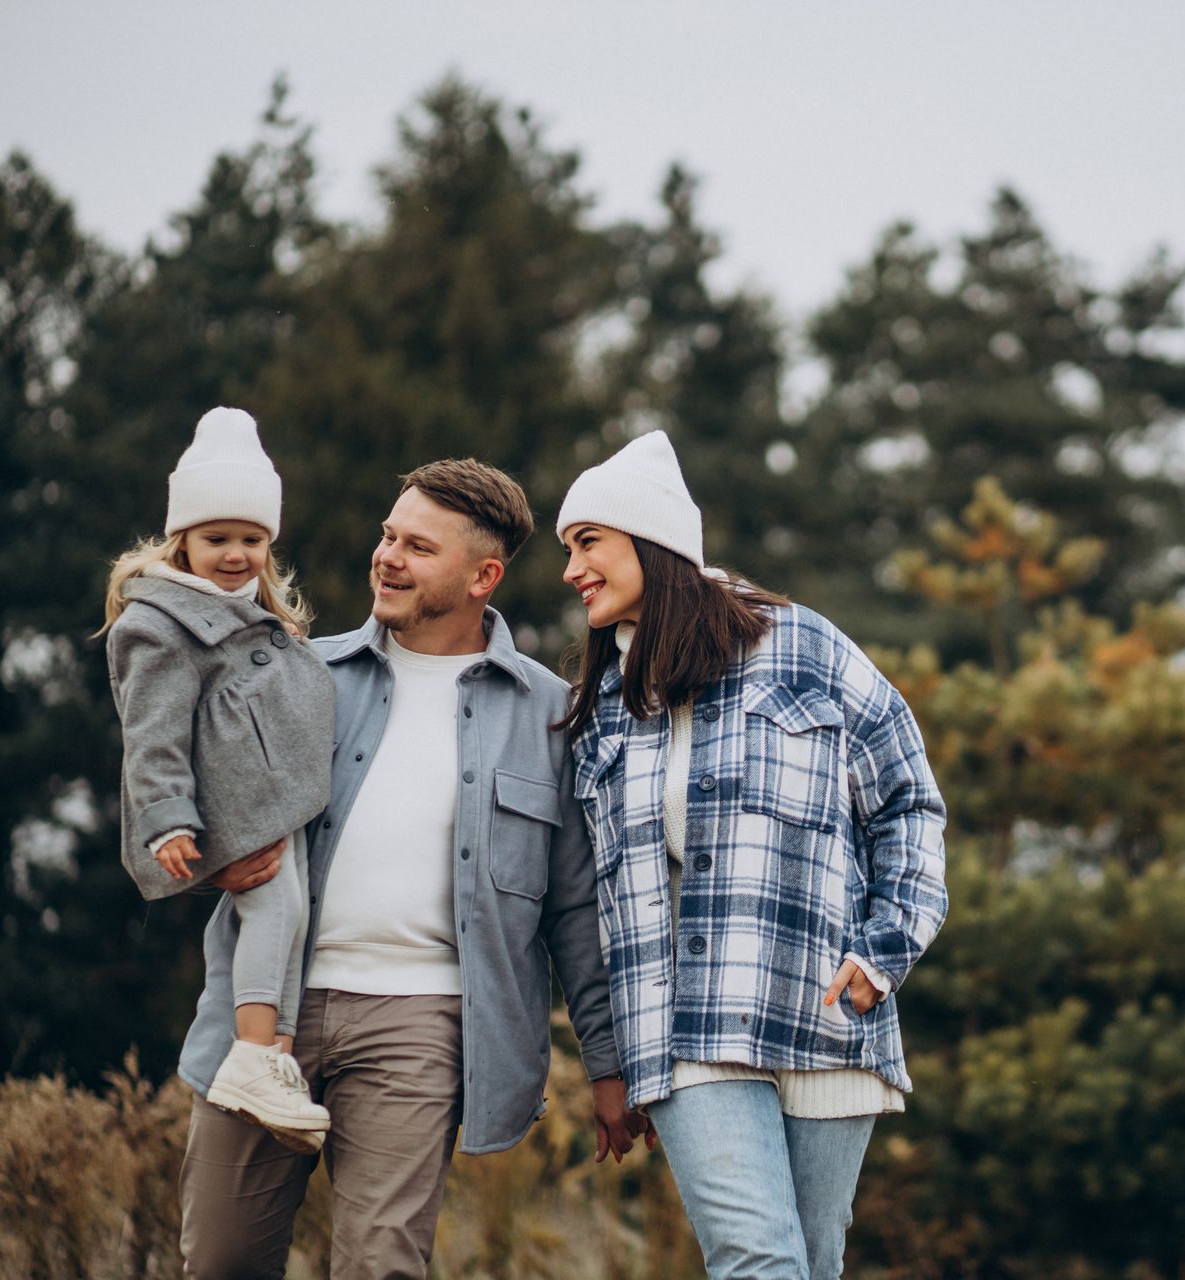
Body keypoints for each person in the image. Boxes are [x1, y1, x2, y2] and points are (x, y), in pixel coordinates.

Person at [174, 457, 643, 1280]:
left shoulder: (550, 714)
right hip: (267, 1014)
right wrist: (214, 854)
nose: (386, 557)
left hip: (423, 1022)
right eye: (388, 535)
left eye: (417, 547)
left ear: (481, 577)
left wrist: (606, 1065)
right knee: (219, 1261)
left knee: (380, 1264)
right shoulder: (296, 672)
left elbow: (575, 910)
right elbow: (192, 796)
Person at [555, 431, 949, 1280]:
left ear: (650, 544)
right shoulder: (600, 710)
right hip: (681, 1031)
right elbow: (584, 901)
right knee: (755, 1259)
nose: (569, 569)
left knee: (813, 1262)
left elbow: (909, 803)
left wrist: (884, 953)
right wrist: (607, 1063)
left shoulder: (805, 649)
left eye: (587, 542)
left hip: (826, 1014)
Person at [102, 407, 334, 1154]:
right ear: (183, 540)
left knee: (292, 914)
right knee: (270, 912)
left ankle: (274, 1062)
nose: (236, 555)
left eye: (252, 539)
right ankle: (253, 1052)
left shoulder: (253, 614)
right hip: (230, 807)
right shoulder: (159, 624)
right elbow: (152, 735)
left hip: (273, 797)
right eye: (217, 539)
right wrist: (169, 818)